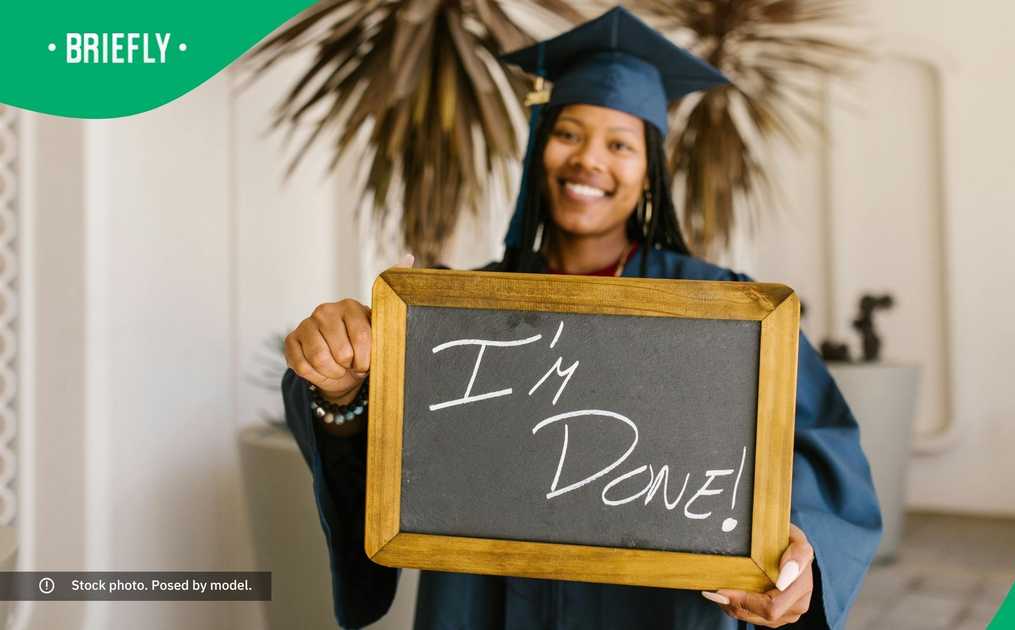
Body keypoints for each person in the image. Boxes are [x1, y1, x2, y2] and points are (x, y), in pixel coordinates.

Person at [282, 6, 881, 629]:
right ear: (541, 149)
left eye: (620, 144)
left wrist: (798, 553)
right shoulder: (460, 311)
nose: (589, 160)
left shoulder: (726, 309)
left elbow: (821, 449)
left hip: (664, 612)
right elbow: (390, 459)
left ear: (651, 170)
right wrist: (343, 389)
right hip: (486, 605)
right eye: (568, 133)